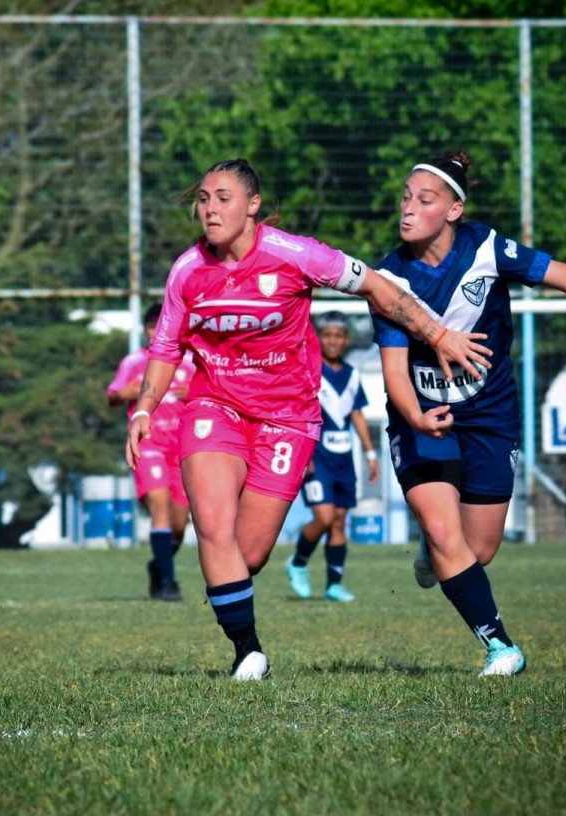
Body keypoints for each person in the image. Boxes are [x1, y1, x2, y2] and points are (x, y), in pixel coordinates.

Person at [126, 158, 493, 681]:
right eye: (204, 198)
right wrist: (145, 406)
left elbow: (378, 289)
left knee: (247, 555)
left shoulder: (298, 255)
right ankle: (247, 652)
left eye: (223, 198)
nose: (209, 209)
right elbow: (165, 346)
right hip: (215, 405)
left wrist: (438, 335)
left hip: (287, 417)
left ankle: (236, 603)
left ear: (253, 206)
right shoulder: (187, 270)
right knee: (212, 522)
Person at [373, 149, 566, 676]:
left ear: (453, 210)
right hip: (424, 416)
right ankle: (501, 647)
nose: (408, 208)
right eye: (405, 197)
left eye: (424, 200)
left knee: (479, 548)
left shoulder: (489, 248)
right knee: (449, 536)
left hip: (491, 413)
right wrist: (417, 418)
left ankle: (434, 547)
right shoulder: (388, 280)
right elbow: (395, 372)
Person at [286, 310, 379, 603]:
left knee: (339, 521)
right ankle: (298, 562)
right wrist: (303, 452)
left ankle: (334, 584)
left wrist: (370, 454)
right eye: (327, 335)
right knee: (324, 517)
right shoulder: (308, 371)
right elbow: (297, 412)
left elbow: (357, 414)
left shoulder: (352, 375)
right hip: (317, 457)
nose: (333, 341)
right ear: (318, 338)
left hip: (344, 459)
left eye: (338, 336)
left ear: (346, 339)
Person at [106, 303, 195, 601]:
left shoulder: (191, 363)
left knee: (179, 526)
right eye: (151, 326)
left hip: (182, 449)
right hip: (150, 447)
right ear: (144, 330)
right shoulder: (134, 362)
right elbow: (114, 396)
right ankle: (168, 583)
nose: (157, 332)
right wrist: (126, 394)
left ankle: (159, 565)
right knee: (160, 511)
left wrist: (195, 391)